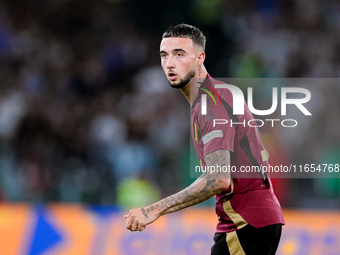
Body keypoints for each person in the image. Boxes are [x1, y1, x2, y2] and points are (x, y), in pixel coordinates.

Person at [124, 24, 285, 255]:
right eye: (164, 55)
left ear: (200, 58)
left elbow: (219, 178)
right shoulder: (209, 98)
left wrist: (154, 209)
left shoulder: (210, 102)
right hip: (252, 220)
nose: (169, 63)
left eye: (179, 54)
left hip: (246, 221)